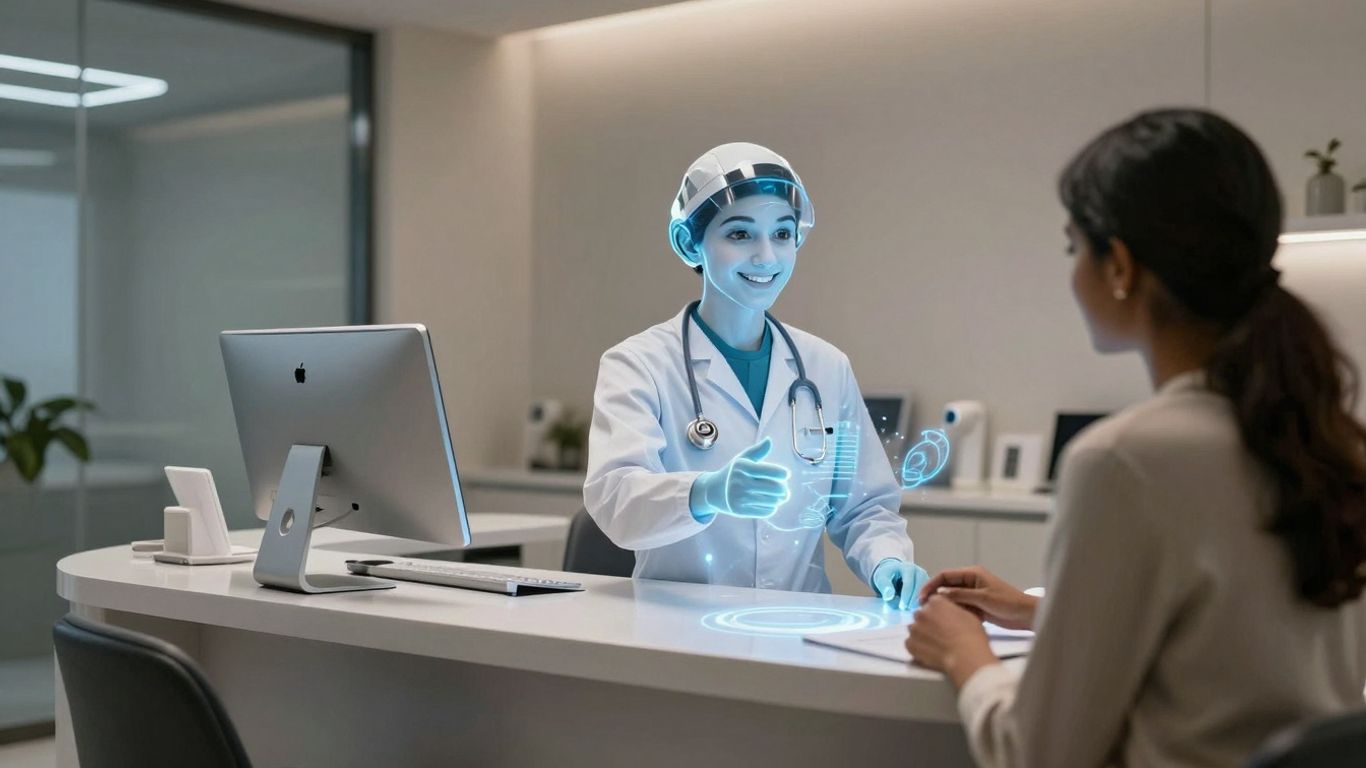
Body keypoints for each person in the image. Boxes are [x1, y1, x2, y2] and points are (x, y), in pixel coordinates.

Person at [905, 109, 1366, 767]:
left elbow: (1036, 755)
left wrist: (964, 656)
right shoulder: (1324, 438)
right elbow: (1235, 643)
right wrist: (1040, 609)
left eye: (1074, 248)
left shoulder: (1125, 461)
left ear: (1119, 265)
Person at [584, 142, 927, 605]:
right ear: (690, 243)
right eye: (740, 235)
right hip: (678, 627)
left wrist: (887, 561)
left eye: (783, 234)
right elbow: (615, 499)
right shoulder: (638, 363)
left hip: (797, 628)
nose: (767, 257)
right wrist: (707, 492)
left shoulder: (826, 366)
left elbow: (863, 508)